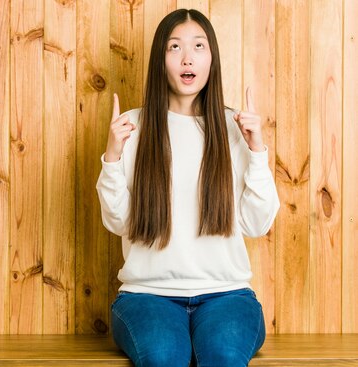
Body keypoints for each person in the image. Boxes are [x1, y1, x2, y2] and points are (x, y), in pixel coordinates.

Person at [95, 8, 280, 367]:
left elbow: (257, 224)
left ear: (212, 59)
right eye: (174, 47)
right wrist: (113, 157)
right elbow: (117, 221)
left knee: (224, 356)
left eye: (198, 46)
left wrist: (257, 150)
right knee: (164, 357)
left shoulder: (233, 127)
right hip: (146, 296)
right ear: (160, 61)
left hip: (227, 296)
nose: (187, 57)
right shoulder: (132, 126)